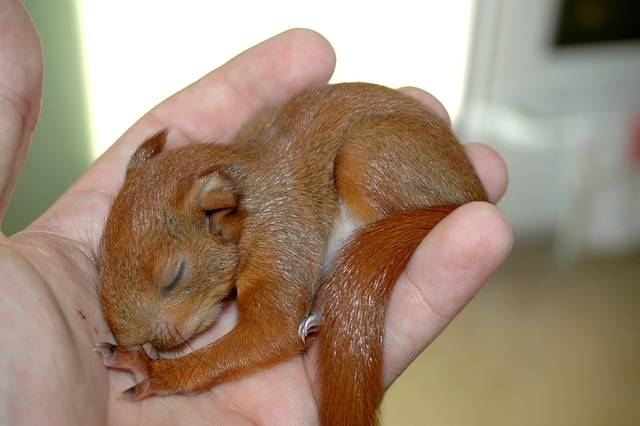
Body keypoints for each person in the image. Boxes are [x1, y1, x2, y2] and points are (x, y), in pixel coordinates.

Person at [0, 0, 512, 424]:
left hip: (401, 177)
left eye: (174, 275)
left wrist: (170, 374)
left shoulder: (266, 224)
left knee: (363, 163)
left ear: (220, 217)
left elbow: (271, 332)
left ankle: (381, 249)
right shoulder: (229, 194)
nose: (152, 335)